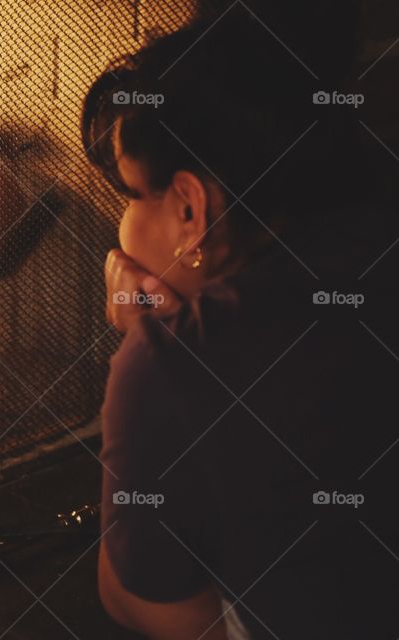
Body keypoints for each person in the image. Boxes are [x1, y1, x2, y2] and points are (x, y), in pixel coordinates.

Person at [84, 8, 399, 640]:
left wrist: (157, 345)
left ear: (191, 210)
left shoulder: (167, 363)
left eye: (129, 196)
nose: (119, 228)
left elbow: (145, 600)